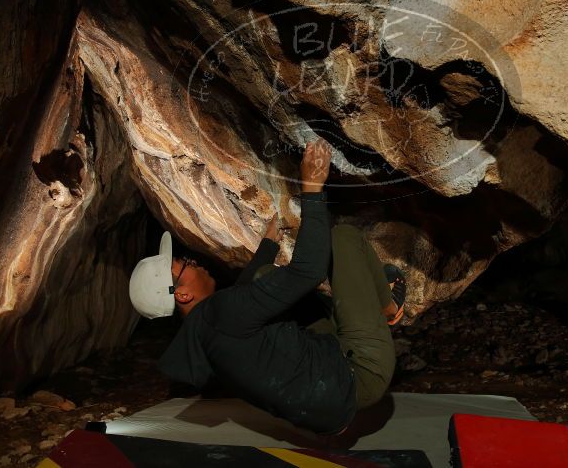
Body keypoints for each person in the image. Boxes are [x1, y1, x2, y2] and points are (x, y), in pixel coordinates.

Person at [128, 139, 407, 434]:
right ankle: (390, 308)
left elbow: (243, 294)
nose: (192, 262)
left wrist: (267, 246)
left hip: (326, 414)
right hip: (362, 375)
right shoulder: (223, 312)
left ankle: (349, 324)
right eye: (183, 264)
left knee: (263, 276)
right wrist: (312, 188)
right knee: (344, 239)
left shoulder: (203, 336)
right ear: (182, 294)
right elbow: (308, 272)